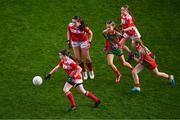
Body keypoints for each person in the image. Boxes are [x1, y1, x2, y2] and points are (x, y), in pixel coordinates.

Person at [67, 16, 94, 80]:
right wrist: (68, 40)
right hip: (74, 42)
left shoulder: (84, 27)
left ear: (79, 22)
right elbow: (68, 31)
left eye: (74, 22)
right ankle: (84, 71)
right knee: (77, 59)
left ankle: (91, 71)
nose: (73, 24)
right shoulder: (70, 26)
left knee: (87, 58)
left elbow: (90, 33)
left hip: (83, 41)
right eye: (72, 22)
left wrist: (89, 42)